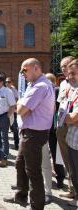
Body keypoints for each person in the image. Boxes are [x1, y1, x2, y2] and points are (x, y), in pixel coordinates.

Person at [4, 58, 55, 210]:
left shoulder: (39, 86)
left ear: (36, 68)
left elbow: (20, 109)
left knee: (33, 171)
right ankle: (20, 196)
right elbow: (21, 104)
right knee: (20, 164)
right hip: (29, 132)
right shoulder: (35, 84)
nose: (22, 73)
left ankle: (36, 206)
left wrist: (20, 102)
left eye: (24, 70)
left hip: (34, 134)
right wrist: (21, 101)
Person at [56, 56, 76, 198]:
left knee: (74, 159)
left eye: (66, 66)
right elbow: (60, 104)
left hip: (73, 124)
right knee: (66, 158)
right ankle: (71, 188)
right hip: (62, 125)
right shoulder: (63, 84)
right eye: (62, 66)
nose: (63, 69)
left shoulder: (76, 83)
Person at [45, 73, 66, 189]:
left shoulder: (57, 90)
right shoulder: (45, 91)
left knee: (57, 153)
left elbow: (60, 108)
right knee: (50, 153)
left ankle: (60, 177)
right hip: (46, 127)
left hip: (56, 127)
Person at [64, 59, 78, 207]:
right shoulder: (74, 91)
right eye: (68, 74)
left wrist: (65, 117)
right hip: (72, 138)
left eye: (73, 73)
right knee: (74, 171)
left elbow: (74, 117)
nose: (69, 77)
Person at [5, 77, 20, 150]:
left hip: (13, 112)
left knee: (15, 129)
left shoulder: (14, 90)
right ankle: (5, 145)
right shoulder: (3, 90)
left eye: (9, 82)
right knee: (4, 129)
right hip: (5, 112)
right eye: (6, 82)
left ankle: (16, 144)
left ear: (12, 83)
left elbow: (17, 99)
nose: (7, 83)